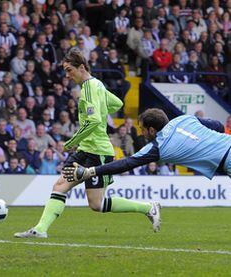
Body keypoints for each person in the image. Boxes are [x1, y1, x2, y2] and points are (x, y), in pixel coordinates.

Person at [14, 49, 160, 239]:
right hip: (86, 150)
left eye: (69, 70)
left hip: (98, 151)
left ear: (81, 67)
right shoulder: (96, 85)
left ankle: (148, 207)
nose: (67, 75)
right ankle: (40, 229)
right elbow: (117, 104)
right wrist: (101, 106)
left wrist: (71, 142)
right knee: (60, 186)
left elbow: (93, 122)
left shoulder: (90, 87)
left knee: (96, 204)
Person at [63, 108, 231, 190]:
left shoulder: (158, 147)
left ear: (152, 130)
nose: (142, 133)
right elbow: (218, 126)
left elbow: (126, 164)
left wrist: (90, 172)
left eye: (143, 129)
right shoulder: (184, 119)